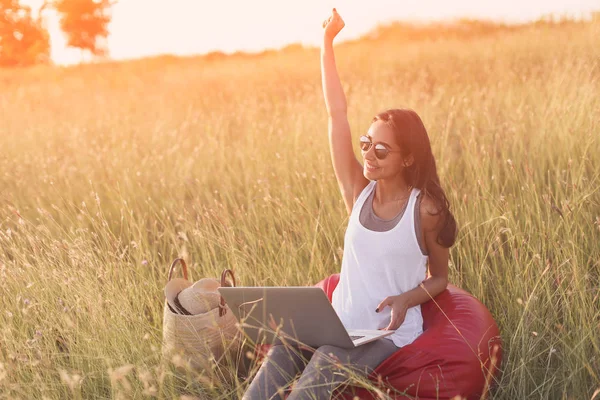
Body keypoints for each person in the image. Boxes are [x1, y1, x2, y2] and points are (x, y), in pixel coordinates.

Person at [242, 8, 458, 400]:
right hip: (337, 320)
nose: (368, 155)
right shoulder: (357, 190)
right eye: (365, 144)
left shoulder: (424, 210)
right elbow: (335, 112)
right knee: (279, 355)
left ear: (408, 158)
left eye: (380, 149)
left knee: (323, 362)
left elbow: (439, 277)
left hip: (384, 333)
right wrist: (326, 44)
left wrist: (407, 300)